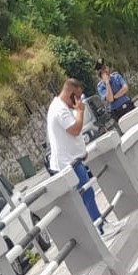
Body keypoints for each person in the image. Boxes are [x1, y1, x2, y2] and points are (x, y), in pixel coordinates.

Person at [46, 77, 104, 232]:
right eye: (77, 97)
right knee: (86, 195)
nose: (79, 101)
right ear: (70, 93)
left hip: (72, 161)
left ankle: (100, 225)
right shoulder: (60, 110)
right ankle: (99, 228)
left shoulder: (59, 107)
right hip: (68, 164)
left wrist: (81, 152)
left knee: (87, 195)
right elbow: (75, 130)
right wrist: (80, 111)